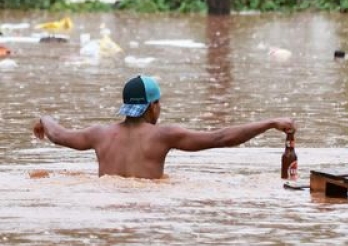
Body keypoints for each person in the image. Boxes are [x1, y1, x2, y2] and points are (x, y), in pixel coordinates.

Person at [32, 75, 295, 179]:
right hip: (148, 208)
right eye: (158, 103)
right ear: (151, 106)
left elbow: (58, 135)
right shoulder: (163, 135)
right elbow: (221, 138)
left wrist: (44, 119)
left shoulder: (99, 134)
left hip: (107, 203)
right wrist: (270, 122)